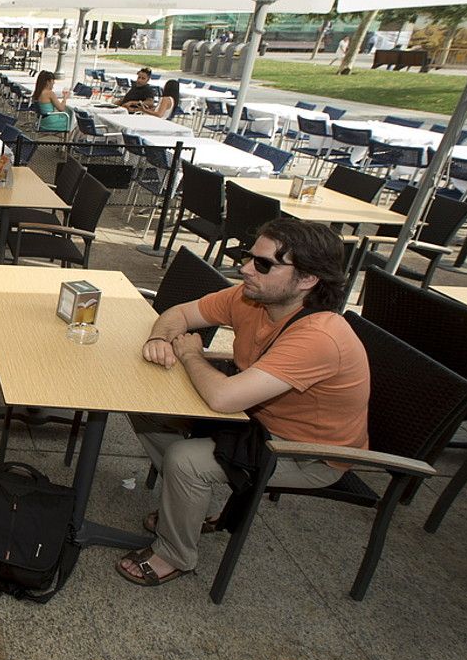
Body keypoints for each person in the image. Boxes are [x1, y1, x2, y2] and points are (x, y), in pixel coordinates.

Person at [120, 218, 368, 587]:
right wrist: (159, 337)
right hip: (252, 419)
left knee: (185, 461)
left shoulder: (319, 337)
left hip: (306, 454)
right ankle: (186, 502)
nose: (245, 268)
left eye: (263, 264)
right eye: (249, 257)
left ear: (307, 280)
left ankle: (174, 555)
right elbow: (180, 313)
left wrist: (191, 355)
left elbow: (222, 397)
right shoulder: (254, 296)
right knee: (144, 406)